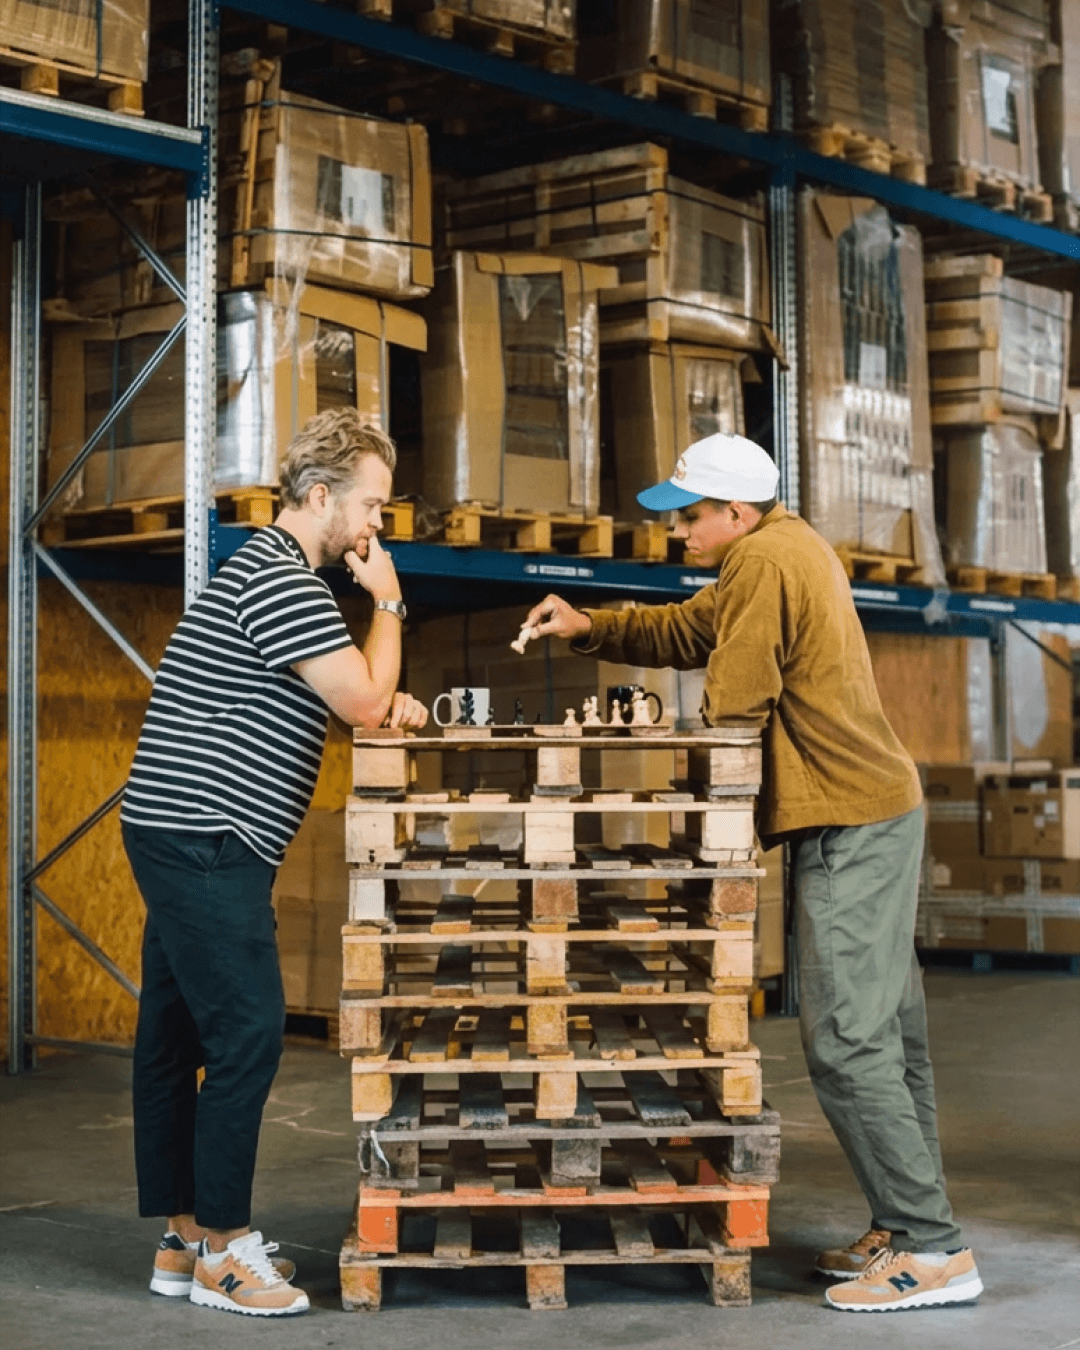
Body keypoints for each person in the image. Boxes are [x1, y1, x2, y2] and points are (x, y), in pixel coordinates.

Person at [521, 432, 983, 1314]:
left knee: (847, 1039)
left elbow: (736, 701)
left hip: (852, 819)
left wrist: (686, 792)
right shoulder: (776, 549)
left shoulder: (767, 562)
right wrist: (593, 625)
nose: (680, 533)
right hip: (869, 810)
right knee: (890, 1035)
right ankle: (907, 1221)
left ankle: (933, 1249)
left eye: (692, 518)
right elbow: (694, 629)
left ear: (735, 513)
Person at [121, 408, 427, 1317]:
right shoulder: (281, 578)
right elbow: (363, 705)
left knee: (176, 1036)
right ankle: (222, 1247)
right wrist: (393, 601)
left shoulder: (270, 573)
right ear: (321, 496)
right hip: (205, 835)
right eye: (371, 506)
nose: (378, 527)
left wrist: (383, 691)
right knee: (249, 1031)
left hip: (184, 830)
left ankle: (182, 1240)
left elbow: (351, 694)